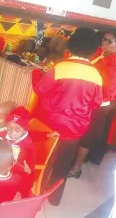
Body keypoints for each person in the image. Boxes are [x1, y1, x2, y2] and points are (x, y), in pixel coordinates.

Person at [31, 28, 102, 205]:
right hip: (75, 128)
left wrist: (35, 75)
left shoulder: (60, 68)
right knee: (63, 164)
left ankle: (34, 194)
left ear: (72, 45)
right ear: (94, 50)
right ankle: (55, 199)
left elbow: (40, 89)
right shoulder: (96, 75)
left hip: (51, 123)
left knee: (44, 158)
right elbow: (97, 102)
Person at [70, 29, 116, 177]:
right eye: (104, 39)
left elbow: (108, 92)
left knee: (88, 135)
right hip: (88, 100)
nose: (104, 42)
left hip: (99, 105)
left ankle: (77, 168)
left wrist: (88, 97)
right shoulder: (100, 53)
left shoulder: (113, 63)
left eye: (109, 41)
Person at [0, 106, 36, 198]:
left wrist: (28, 171)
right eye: (9, 129)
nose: (12, 133)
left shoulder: (28, 146)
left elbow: (30, 169)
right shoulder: (5, 135)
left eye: (17, 130)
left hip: (19, 175)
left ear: (25, 131)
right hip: (4, 169)